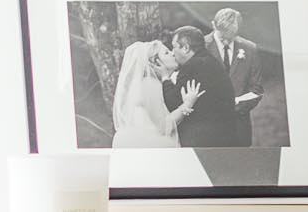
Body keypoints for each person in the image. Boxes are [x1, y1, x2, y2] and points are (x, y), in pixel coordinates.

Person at [110, 40, 202, 149]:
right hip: (150, 146)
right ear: (156, 62)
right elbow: (164, 126)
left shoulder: (153, 82)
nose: (173, 53)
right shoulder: (149, 83)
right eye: (166, 53)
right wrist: (187, 105)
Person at [167, 26, 236, 148]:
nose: (172, 52)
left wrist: (164, 78)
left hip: (204, 141)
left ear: (186, 48)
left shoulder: (192, 66)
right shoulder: (209, 60)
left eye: (174, 47)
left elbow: (172, 103)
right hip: (224, 135)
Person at [209, 8, 265, 146]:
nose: (227, 41)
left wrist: (236, 105)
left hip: (239, 127)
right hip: (209, 127)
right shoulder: (201, 47)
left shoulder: (250, 49)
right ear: (213, 25)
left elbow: (257, 90)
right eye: (223, 36)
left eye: (231, 36)